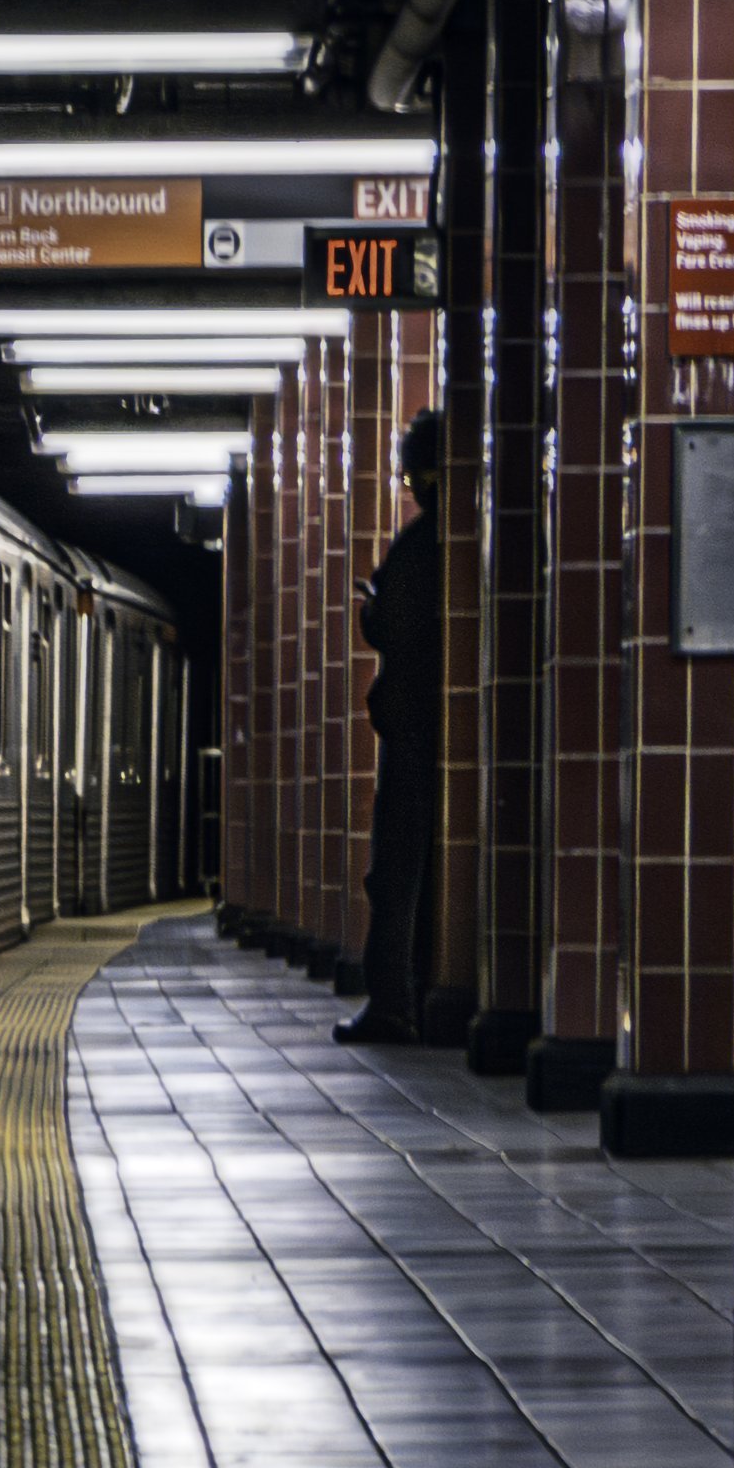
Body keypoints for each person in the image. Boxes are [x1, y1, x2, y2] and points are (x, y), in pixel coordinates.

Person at [336, 411, 442, 1047]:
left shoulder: (423, 544)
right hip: (437, 732)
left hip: (413, 735)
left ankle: (392, 1001)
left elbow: (392, 625)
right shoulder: (482, 538)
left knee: (394, 873)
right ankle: (413, 995)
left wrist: (371, 611)